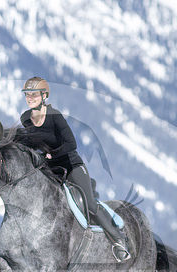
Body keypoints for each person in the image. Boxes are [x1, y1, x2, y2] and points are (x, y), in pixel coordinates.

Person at [16, 76, 130, 262]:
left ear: (44, 96)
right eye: (27, 95)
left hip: (71, 165)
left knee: (90, 204)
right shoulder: (25, 119)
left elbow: (71, 143)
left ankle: (119, 241)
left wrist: (53, 154)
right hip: (49, 170)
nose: (29, 98)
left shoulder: (55, 116)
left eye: (34, 95)